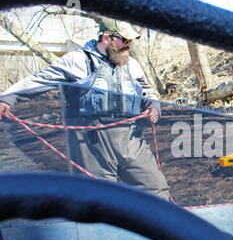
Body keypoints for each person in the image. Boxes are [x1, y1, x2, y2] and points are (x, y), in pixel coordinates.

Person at [0, 18, 171, 200]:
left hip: (131, 139)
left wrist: (153, 107)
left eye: (130, 41)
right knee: (100, 200)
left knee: (156, 190)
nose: (128, 46)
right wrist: (7, 99)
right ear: (107, 38)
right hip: (91, 143)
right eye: (125, 40)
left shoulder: (132, 65)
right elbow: (38, 81)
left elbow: (147, 93)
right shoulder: (78, 61)